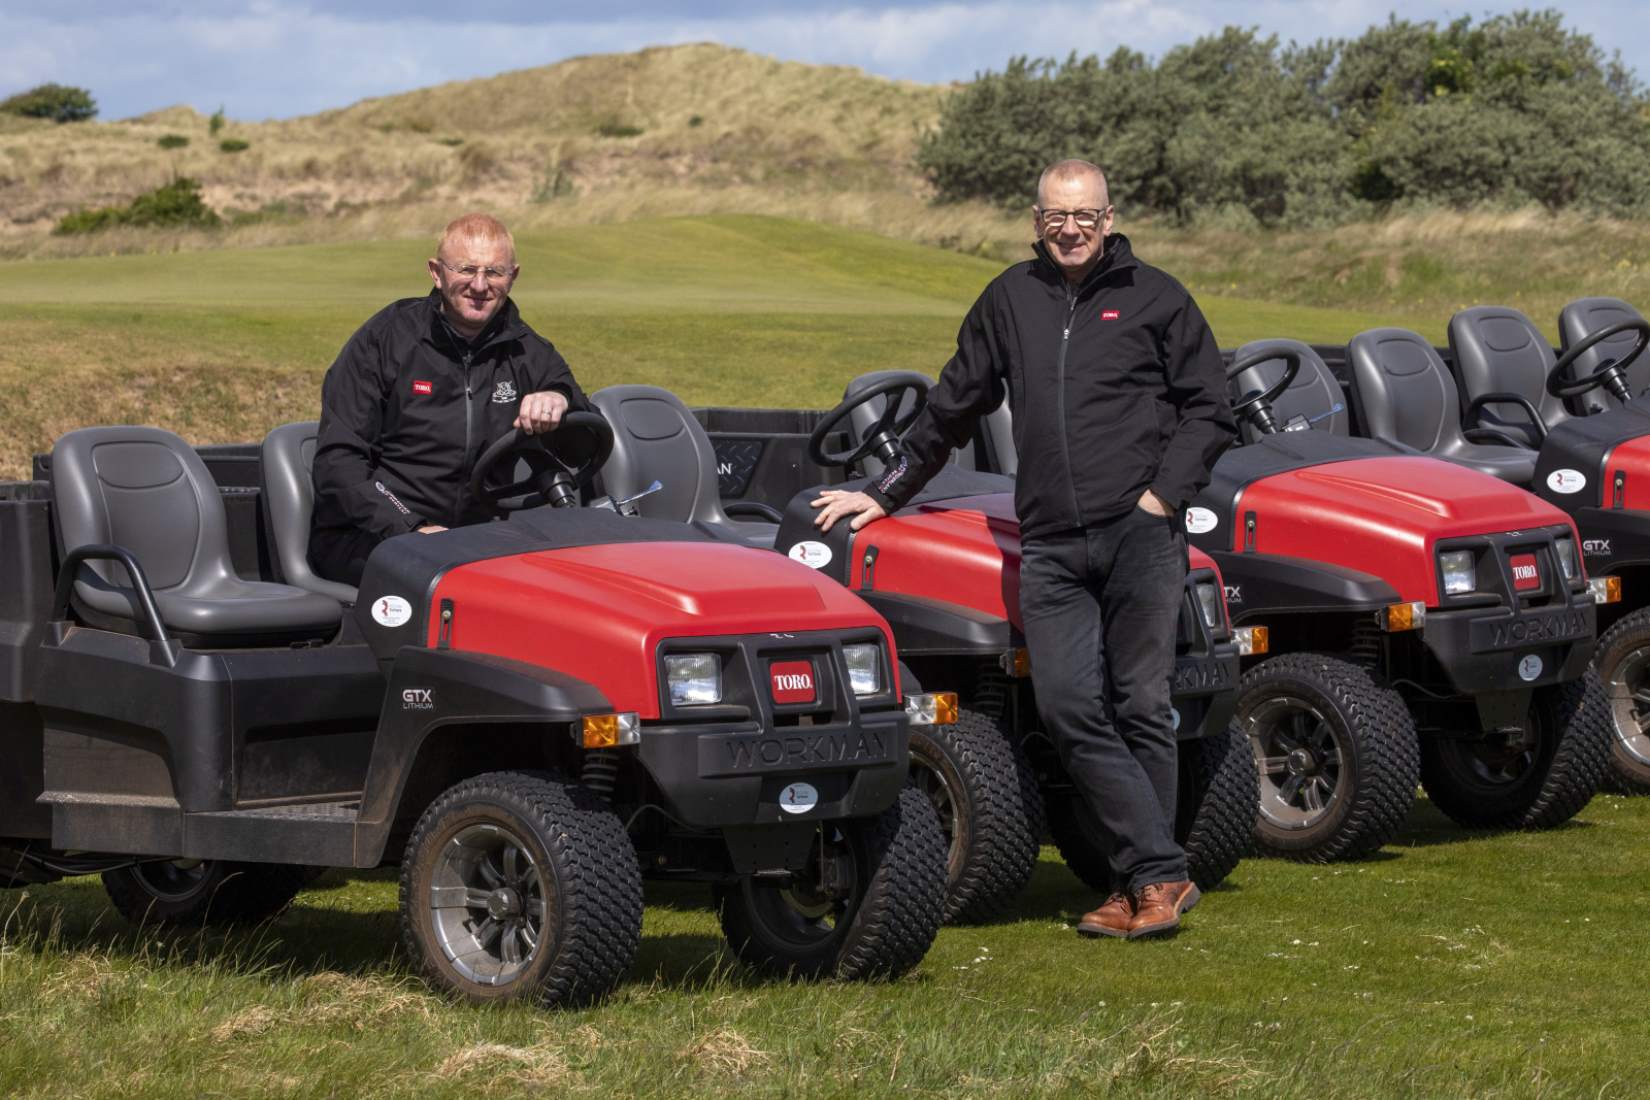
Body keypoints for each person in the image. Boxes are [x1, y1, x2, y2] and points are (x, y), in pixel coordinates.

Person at [813, 159, 1235, 939]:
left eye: (1083, 216)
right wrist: (884, 491)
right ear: (1034, 221)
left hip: (1140, 534)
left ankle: (1133, 884)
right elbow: (951, 405)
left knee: (1141, 706)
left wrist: (1162, 496)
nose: (1068, 229)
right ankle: (1162, 871)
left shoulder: (1157, 297)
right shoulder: (1011, 298)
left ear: (1109, 219)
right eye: (1054, 217)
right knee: (1071, 708)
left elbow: (1211, 408)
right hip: (1048, 543)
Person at [309, 213, 593, 585]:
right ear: (436, 272)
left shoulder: (528, 352)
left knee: (570, 582)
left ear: (513, 276)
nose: (479, 285)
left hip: (478, 538)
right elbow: (338, 463)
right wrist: (413, 529)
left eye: (494, 272)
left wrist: (561, 401)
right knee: (464, 584)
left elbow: (587, 442)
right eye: (466, 270)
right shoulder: (386, 340)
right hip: (373, 537)